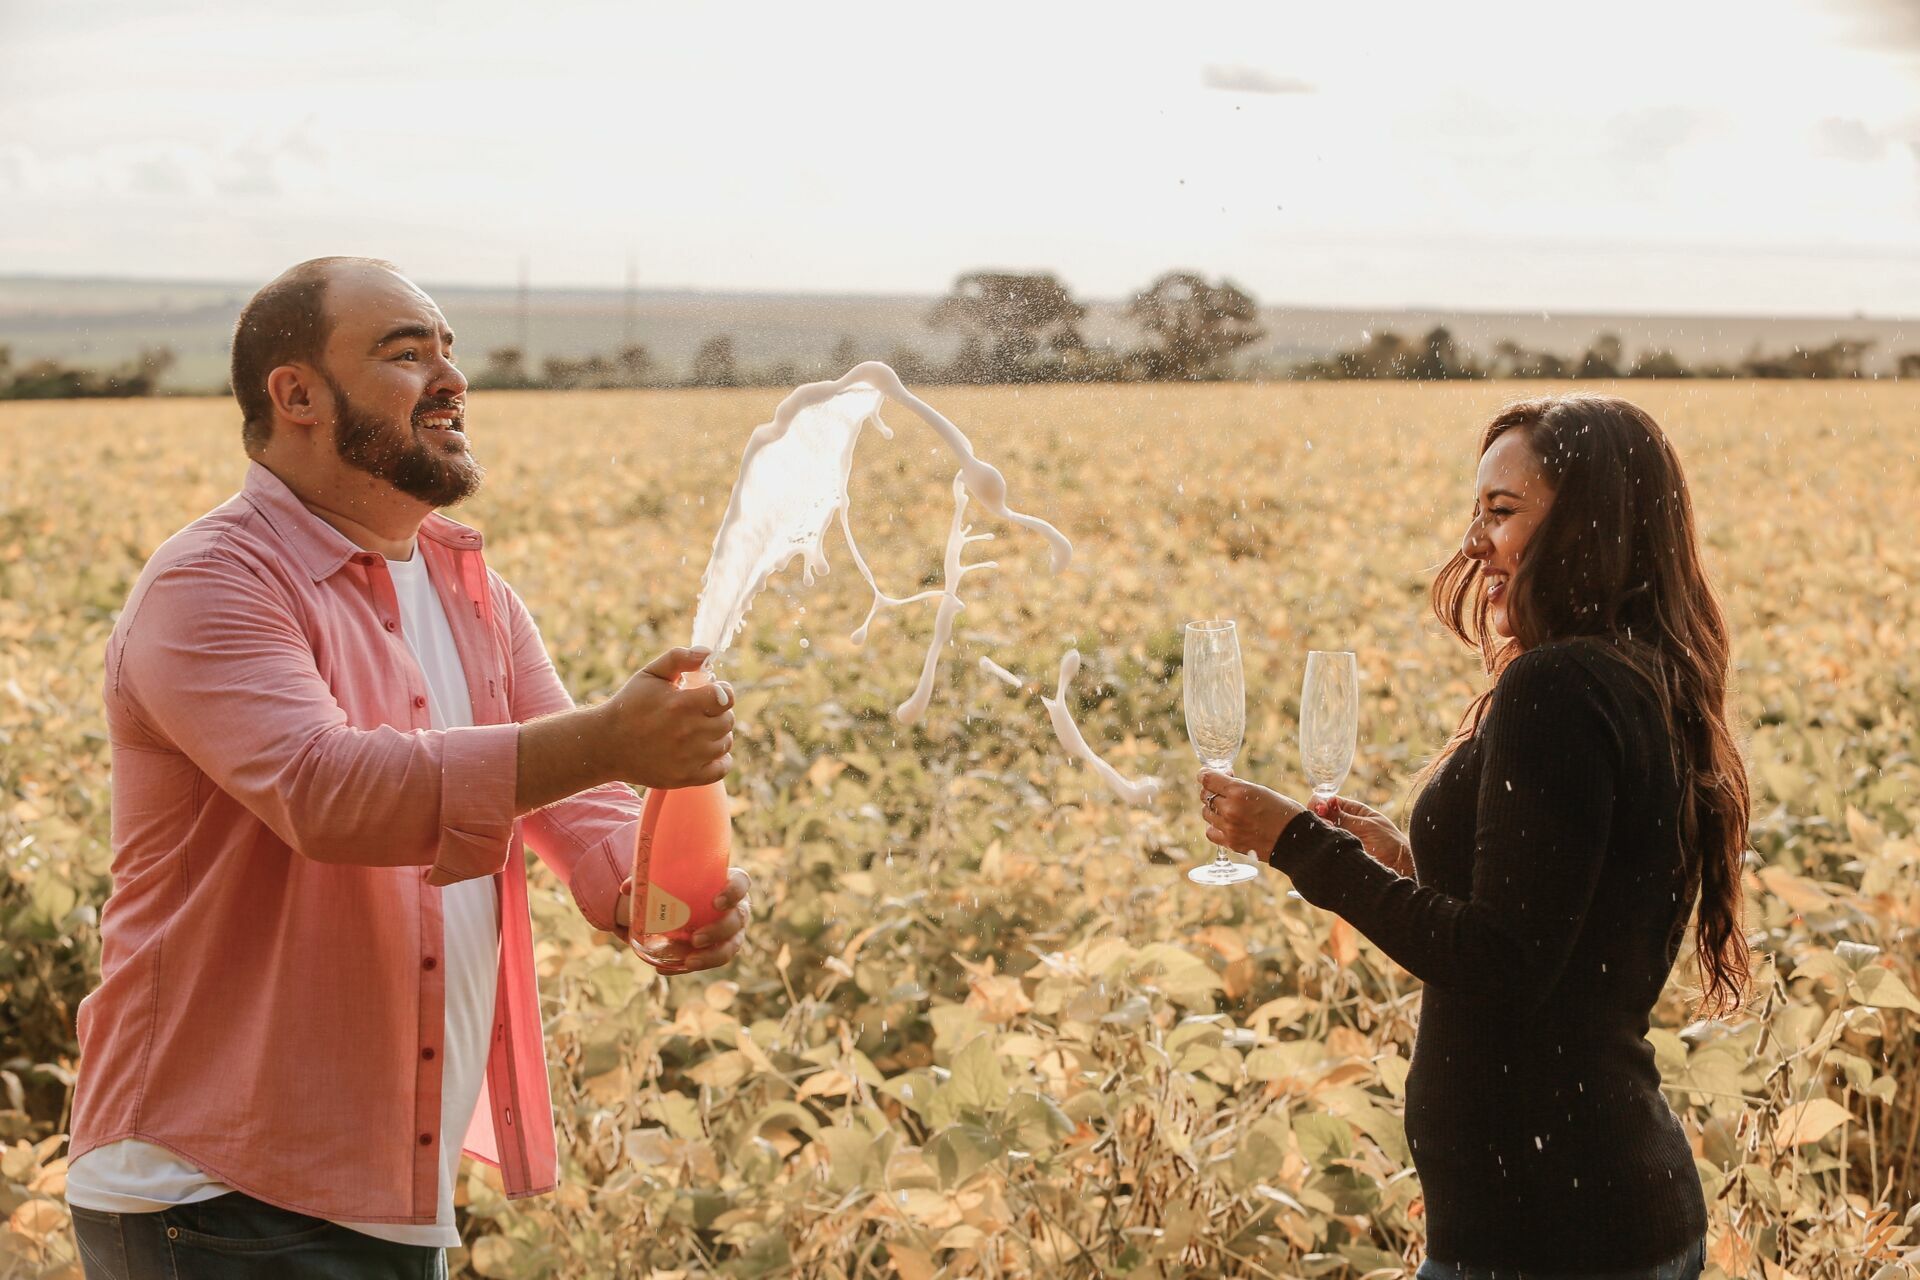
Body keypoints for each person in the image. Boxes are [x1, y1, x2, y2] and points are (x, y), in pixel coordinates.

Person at [64, 256, 752, 1279]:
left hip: (390, 1192)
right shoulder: (213, 580)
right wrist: (612, 738)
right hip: (212, 1191)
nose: (450, 378)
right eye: (405, 353)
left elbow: (577, 798)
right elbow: (328, 792)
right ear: (297, 395)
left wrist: (647, 892)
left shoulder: (476, 594)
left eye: (448, 351)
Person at [1197, 395, 1751, 1279]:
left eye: (1501, 512)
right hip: (1591, 1213)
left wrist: (1296, 842)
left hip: (1551, 1238)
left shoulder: (1556, 687)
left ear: (1587, 524)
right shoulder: (1632, 676)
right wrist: (1407, 863)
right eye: (1477, 512)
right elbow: (1572, 919)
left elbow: (1504, 962)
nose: (1473, 543)